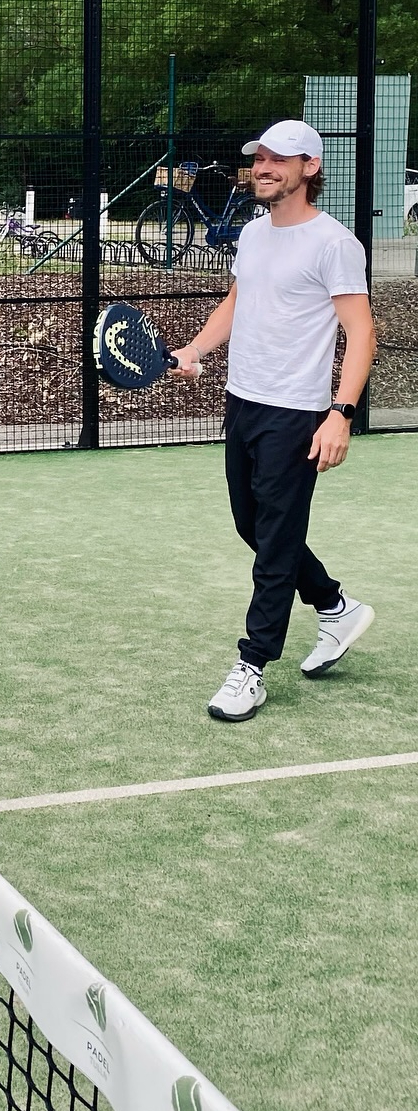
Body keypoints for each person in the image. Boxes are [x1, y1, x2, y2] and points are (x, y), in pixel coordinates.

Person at [172, 119, 377, 722]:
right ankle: (335, 607)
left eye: (278, 159)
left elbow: (361, 331)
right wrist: (196, 349)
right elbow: (237, 302)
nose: (264, 167)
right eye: (259, 157)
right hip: (243, 400)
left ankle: (253, 665)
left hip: (297, 413)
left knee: (275, 542)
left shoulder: (335, 243)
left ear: (310, 168)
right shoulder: (254, 234)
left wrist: (340, 414)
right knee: (254, 525)